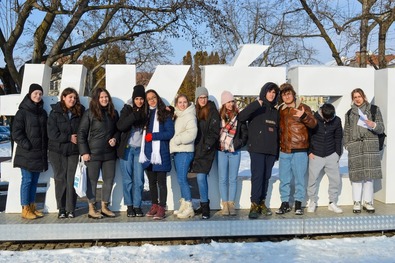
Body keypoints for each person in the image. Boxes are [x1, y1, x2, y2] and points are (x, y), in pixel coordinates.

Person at [238, 82, 280, 219]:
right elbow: (241, 117)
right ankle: (254, 204)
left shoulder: (276, 111)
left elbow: (278, 131)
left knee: (266, 177)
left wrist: (277, 151)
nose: (271, 94)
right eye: (269, 92)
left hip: (271, 150)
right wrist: (256, 104)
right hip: (257, 148)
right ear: (264, 92)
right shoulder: (256, 107)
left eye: (274, 92)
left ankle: (262, 202)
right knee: (257, 176)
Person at [276, 83, 317, 215]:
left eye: (288, 93)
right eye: (284, 94)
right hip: (284, 150)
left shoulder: (303, 107)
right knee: (284, 179)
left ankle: (299, 203)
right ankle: (285, 203)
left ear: (293, 94)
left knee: (300, 179)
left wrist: (304, 116)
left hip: (300, 150)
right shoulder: (280, 110)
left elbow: (313, 124)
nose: (286, 96)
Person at [78, 87, 119, 219]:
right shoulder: (89, 113)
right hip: (93, 153)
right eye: (101, 97)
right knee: (92, 181)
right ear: (96, 99)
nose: (104, 99)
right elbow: (81, 133)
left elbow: (118, 130)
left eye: (106, 97)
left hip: (109, 154)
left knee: (109, 180)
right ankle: (91, 208)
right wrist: (84, 151)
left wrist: (115, 139)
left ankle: (104, 207)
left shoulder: (113, 113)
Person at [344, 88, 384, 213]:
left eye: (359, 96)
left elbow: (381, 128)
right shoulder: (349, 113)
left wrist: (373, 125)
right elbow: (347, 131)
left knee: (369, 176)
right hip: (355, 146)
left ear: (364, 97)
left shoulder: (374, 109)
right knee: (356, 175)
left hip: (370, 145)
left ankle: (368, 202)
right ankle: (356, 202)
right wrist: (347, 144)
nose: (357, 99)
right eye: (355, 97)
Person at [47, 87, 85, 219]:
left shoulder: (80, 112)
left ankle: (71, 209)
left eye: (74, 98)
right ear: (63, 97)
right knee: (60, 179)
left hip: (74, 152)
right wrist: (69, 138)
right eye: (70, 97)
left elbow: (83, 130)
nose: (73, 100)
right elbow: (51, 133)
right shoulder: (54, 112)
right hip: (57, 151)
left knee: (71, 180)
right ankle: (61, 208)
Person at [12, 83, 48, 220]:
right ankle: (25, 208)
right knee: (27, 180)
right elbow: (16, 133)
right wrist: (28, 145)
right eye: (35, 94)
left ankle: (32, 206)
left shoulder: (42, 112)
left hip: (39, 154)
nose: (38, 96)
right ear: (30, 94)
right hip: (26, 154)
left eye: (40, 94)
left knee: (34, 182)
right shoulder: (22, 112)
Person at [140, 89, 174, 220]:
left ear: (157, 98)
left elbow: (170, 133)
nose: (151, 100)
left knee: (161, 183)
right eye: (149, 99)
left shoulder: (164, 113)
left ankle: (161, 207)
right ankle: (154, 205)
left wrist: (153, 136)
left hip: (161, 154)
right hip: (148, 153)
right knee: (152, 182)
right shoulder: (146, 114)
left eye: (153, 97)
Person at [307, 103, 343, 214]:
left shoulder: (336, 120)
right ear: (321, 112)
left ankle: (332, 202)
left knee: (335, 180)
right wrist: (309, 152)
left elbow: (338, 137)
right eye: (326, 119)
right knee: (312, 179)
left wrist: (337, 153)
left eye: (330, 118)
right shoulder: (313, 119)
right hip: (315, 154)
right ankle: (312, 201)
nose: (328, 121)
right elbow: (307, 135)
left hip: (331, 154)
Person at [117, 85, 147, 217]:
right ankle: (129, 206)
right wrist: (134, 116)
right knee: (127, 180)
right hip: (127, 149)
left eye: (141, 99)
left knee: (139, 180)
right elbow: (121, 126)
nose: (139, 101)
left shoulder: (147, 111)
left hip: (140, 150)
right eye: (137, 98)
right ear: (133, 98)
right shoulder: (126, 109)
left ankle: (137, 205)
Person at [190, 87, 220, 219]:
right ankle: (202, 204)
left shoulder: (212, 112)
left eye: (205, 97)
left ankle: (205, 205)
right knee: (196, 178)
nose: (203, 100)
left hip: (206, 150)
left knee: (201, 178)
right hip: (195, 149)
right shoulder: (194, 111)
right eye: (200, 97)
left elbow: (214, 132)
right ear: (197, 99)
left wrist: (206, 146)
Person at [217, 90, 248, 216]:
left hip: (235, 151)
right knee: (223, 179)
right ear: (224, 103)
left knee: (233, 178)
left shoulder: (239, 116)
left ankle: (231, 204)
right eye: (228, 102)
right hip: (221, 150)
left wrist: (237, 144)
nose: (230, 104)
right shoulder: (219, 116)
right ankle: (224, 204)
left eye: (232, 101)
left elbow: (245, 134)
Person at [170, 94, 198, 219]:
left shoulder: (189, 115)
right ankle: (184, 205)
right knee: (180, 179)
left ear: (188, 103)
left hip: (185, 151)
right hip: (178, 151)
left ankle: (189, 206)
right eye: (180, 102)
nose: (182, 104)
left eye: (184, 102)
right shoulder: (178, 115)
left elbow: (192, 134)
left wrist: (177, 140)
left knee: (182, 179)